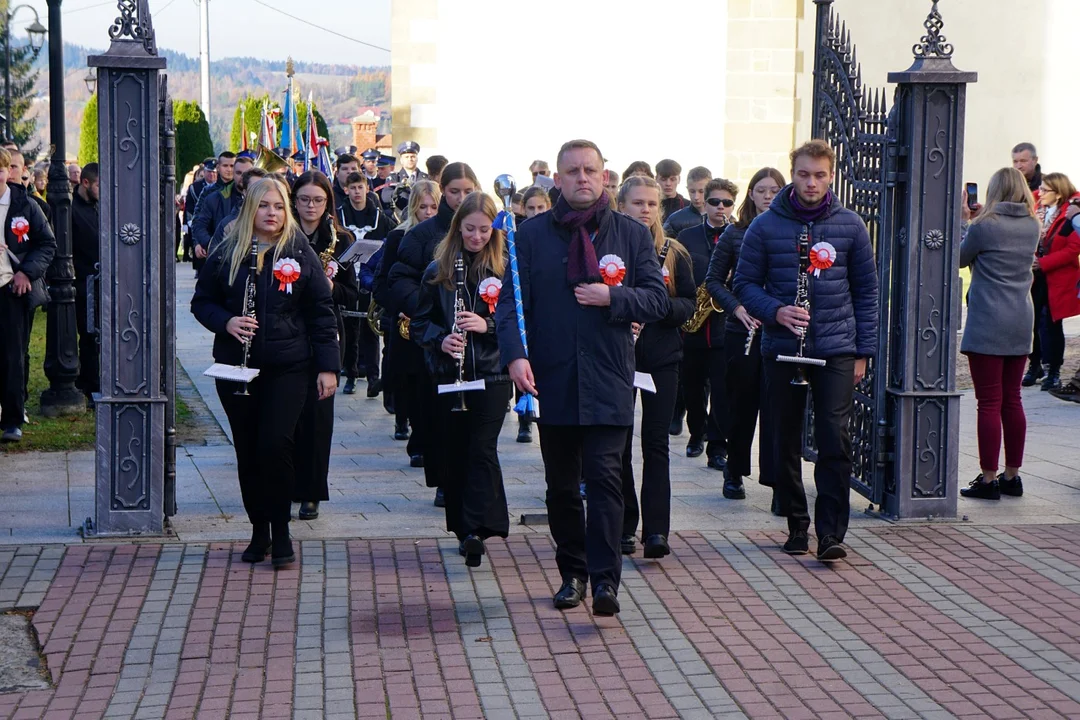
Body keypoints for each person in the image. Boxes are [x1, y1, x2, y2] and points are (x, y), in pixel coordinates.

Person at [496, 139, 668, 616]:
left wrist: (612, 299)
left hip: (610, 376)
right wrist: (514, 357)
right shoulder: (529, 236)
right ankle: (572, 573)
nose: (582, 179)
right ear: (556, 178)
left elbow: (657, 300)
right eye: (571, 172)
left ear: (605, 176)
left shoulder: (631, 236)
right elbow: (512, 304)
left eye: (590, 170)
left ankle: (606, 580)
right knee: (563, 488)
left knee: (606, 481)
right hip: (552, 377)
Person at [734, 139, 877, 562]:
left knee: (835, 437)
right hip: (782, 346)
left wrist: (862, 352)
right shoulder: (764, 225)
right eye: (803, 174)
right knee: (784, 436)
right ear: (791, 174)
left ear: (831, 176)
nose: (811, 183)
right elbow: (744, 285)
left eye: (819, 175)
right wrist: (776, 311)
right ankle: (797, 524)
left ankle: (831, 532)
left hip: (836, 346)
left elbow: (867, 292)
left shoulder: (850, 225)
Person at [191, 175, 339, 568]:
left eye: (278, 206)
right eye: (263, 206)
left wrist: (328, 367)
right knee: (249, 449)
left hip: (288, 366)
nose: (271, 213)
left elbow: (321, 312)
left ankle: (282, 529)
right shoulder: (227, 250)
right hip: (236, 367)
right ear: (250, 208)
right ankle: (260, 531)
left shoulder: (298, 249)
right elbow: (201, 302)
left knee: (276, 444)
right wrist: (226, 322)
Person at [411, 192, 512, 567]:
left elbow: (522, 324)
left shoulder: (505, 269)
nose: (476, 237)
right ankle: (464, 529)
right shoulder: (437, 269)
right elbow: (418, 323)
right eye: (469, 229)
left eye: (484, 230)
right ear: (457, 227)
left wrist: (486, 326)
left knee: (482, 447)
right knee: (455, 450)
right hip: (450, 373)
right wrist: (441, 339)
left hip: (493, 371)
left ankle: (479, 528)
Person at [388, 164, 478, 504]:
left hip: (479, 342)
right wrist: (429, 309)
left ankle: (471, 480)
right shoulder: (422, 235)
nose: (460, 197)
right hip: (436, 340)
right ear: (443, 191)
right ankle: (445, 480)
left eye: (467, 190)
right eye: (454, 191)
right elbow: (399, 280)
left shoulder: (487, 229)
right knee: (440, 415)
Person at [615, 176, 695, 559]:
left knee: (656, 444)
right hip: (618, 360)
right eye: (637, 203)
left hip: (662, 360)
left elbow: (689, 305)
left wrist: (657, 307)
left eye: (651, 204)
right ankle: (625, 525)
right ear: (621, 206)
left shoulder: (674, 252)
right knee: (616, 445)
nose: (645, 210)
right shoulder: (610, 251)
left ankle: (657, 531)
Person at [958, 168, 1040, 500]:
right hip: (1020, 317)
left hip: (989, 320)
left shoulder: (983, 227)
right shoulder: (1032, 226)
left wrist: (966, 220)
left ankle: (988, 478)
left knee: (988, 402)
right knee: (1013, 399)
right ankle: (1012, 475)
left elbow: (960, 258)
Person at [706, 168, 784, 505]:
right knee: (742, 403)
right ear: (750, 194)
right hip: (744, 331)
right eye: (761, 190)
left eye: (775, 190)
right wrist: (737, 309)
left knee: (778, 407)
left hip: (781, 331)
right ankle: (734, 470)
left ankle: (778, 480)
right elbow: (714, 281)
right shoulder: (734, 233)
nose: (768, 196)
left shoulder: (790, 231)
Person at [290, 172, 359, 521]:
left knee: (318, 418)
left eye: (318, 200)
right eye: (304, 199)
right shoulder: (281, 235)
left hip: (327, 332)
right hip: (287, 330)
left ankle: (312, 492)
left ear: (328, 203)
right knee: (288, 413)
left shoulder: (341, 238)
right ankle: (288, 481)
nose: (311, 206)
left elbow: (354, 292)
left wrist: (333, 289)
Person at [675, 178, 738, 469]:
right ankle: (696, 431)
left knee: (724, 388)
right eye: (715, 201)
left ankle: (717, 446)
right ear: (704, 202)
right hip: (694, 324)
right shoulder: (687, 237)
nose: (720, 207)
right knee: (692, 385)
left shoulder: (741, 236)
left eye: (726, 202)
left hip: (727, 323)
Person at [372, 180, 441, 442]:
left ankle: (423, 437)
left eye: (434, 206)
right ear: (413, 207)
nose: (428, 212)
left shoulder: (447, 236)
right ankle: (403, 420)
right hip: (404, 320)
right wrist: (399, 308)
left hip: (433, 320)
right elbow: (382, 283)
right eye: (423, 207)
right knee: (405, 376)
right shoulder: (398, 237)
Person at [0, 148, 55, 442]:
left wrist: (26, 273)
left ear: (10, 172)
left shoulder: (25, 205)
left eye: (0, 169)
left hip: (11, 287)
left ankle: (12, 419)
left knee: (12, 355)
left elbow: (46, 244)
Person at [337, 171, 392, 396]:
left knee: (370, 330)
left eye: (360, 187)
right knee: (350, 330)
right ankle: (351, 374)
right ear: (346, 190)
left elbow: (392, 242)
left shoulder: (380, 217)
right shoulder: (338, 216)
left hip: (371, 279)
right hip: (348, 278)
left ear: (366, 189)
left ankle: (373, 377)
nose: (357, 192)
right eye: (353, 188)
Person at [1027, 173, 1080, 392]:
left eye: (1045, 189)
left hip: (1055, 277)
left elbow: (1073, 249)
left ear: (1058, 194)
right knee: (1031, 322)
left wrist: (1044, 262)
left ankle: (1053, 371)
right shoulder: (1037, 211)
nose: (1040, 193)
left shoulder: (1070, 214)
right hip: (1034, 277)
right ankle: (1034, 366)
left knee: (1050, 324)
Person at [71, 162, 101, 407]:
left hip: (102, 283)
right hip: (83, 283)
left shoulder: (100, 207)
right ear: (86, 183)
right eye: (99, 185)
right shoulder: (71, 210)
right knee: (88, 337)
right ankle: (89, 384)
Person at [192, 153, 251, 262]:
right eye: (225, 166)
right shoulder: (210, 193)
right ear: (218, 167)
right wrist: (204, 244)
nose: (229, 169)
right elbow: (198, 221)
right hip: (218, 251)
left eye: (231, 166)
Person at [664, 166, 713, 238]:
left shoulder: (724, 218)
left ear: (710, 190)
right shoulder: (675, 220)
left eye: (701, 191)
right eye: (692, 191)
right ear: (687, 189)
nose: (696, 197)